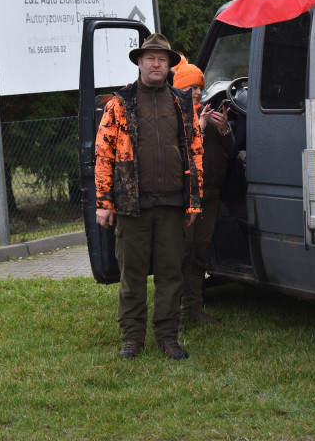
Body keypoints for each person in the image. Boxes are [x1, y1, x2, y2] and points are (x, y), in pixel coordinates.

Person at [94, 34, 203, 360]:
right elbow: (103, 154)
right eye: (150, 58)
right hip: (132, 207)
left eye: (162, 58)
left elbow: (196, 152)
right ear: (139, 62)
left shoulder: (182, 104)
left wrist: (194, 201)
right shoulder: (119, 104)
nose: (156, 63)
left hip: (172, 205)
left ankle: (168, 337)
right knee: (133, 276)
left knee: (171, 275)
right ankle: (132, 339)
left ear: (169, 65)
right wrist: (104, 203)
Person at [172, 61, 234, 325]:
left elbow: (228, 152)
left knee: (199, 253)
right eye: (191, 86)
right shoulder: (173, 117)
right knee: (181, 254)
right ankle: (173, 314)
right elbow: (178, 154)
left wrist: (223, 129)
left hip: (210, 194)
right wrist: (197, 125)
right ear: (179, 88)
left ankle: (193, 310)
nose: (197, 92)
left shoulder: (207, 114)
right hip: (186, 198)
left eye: (199, 86)